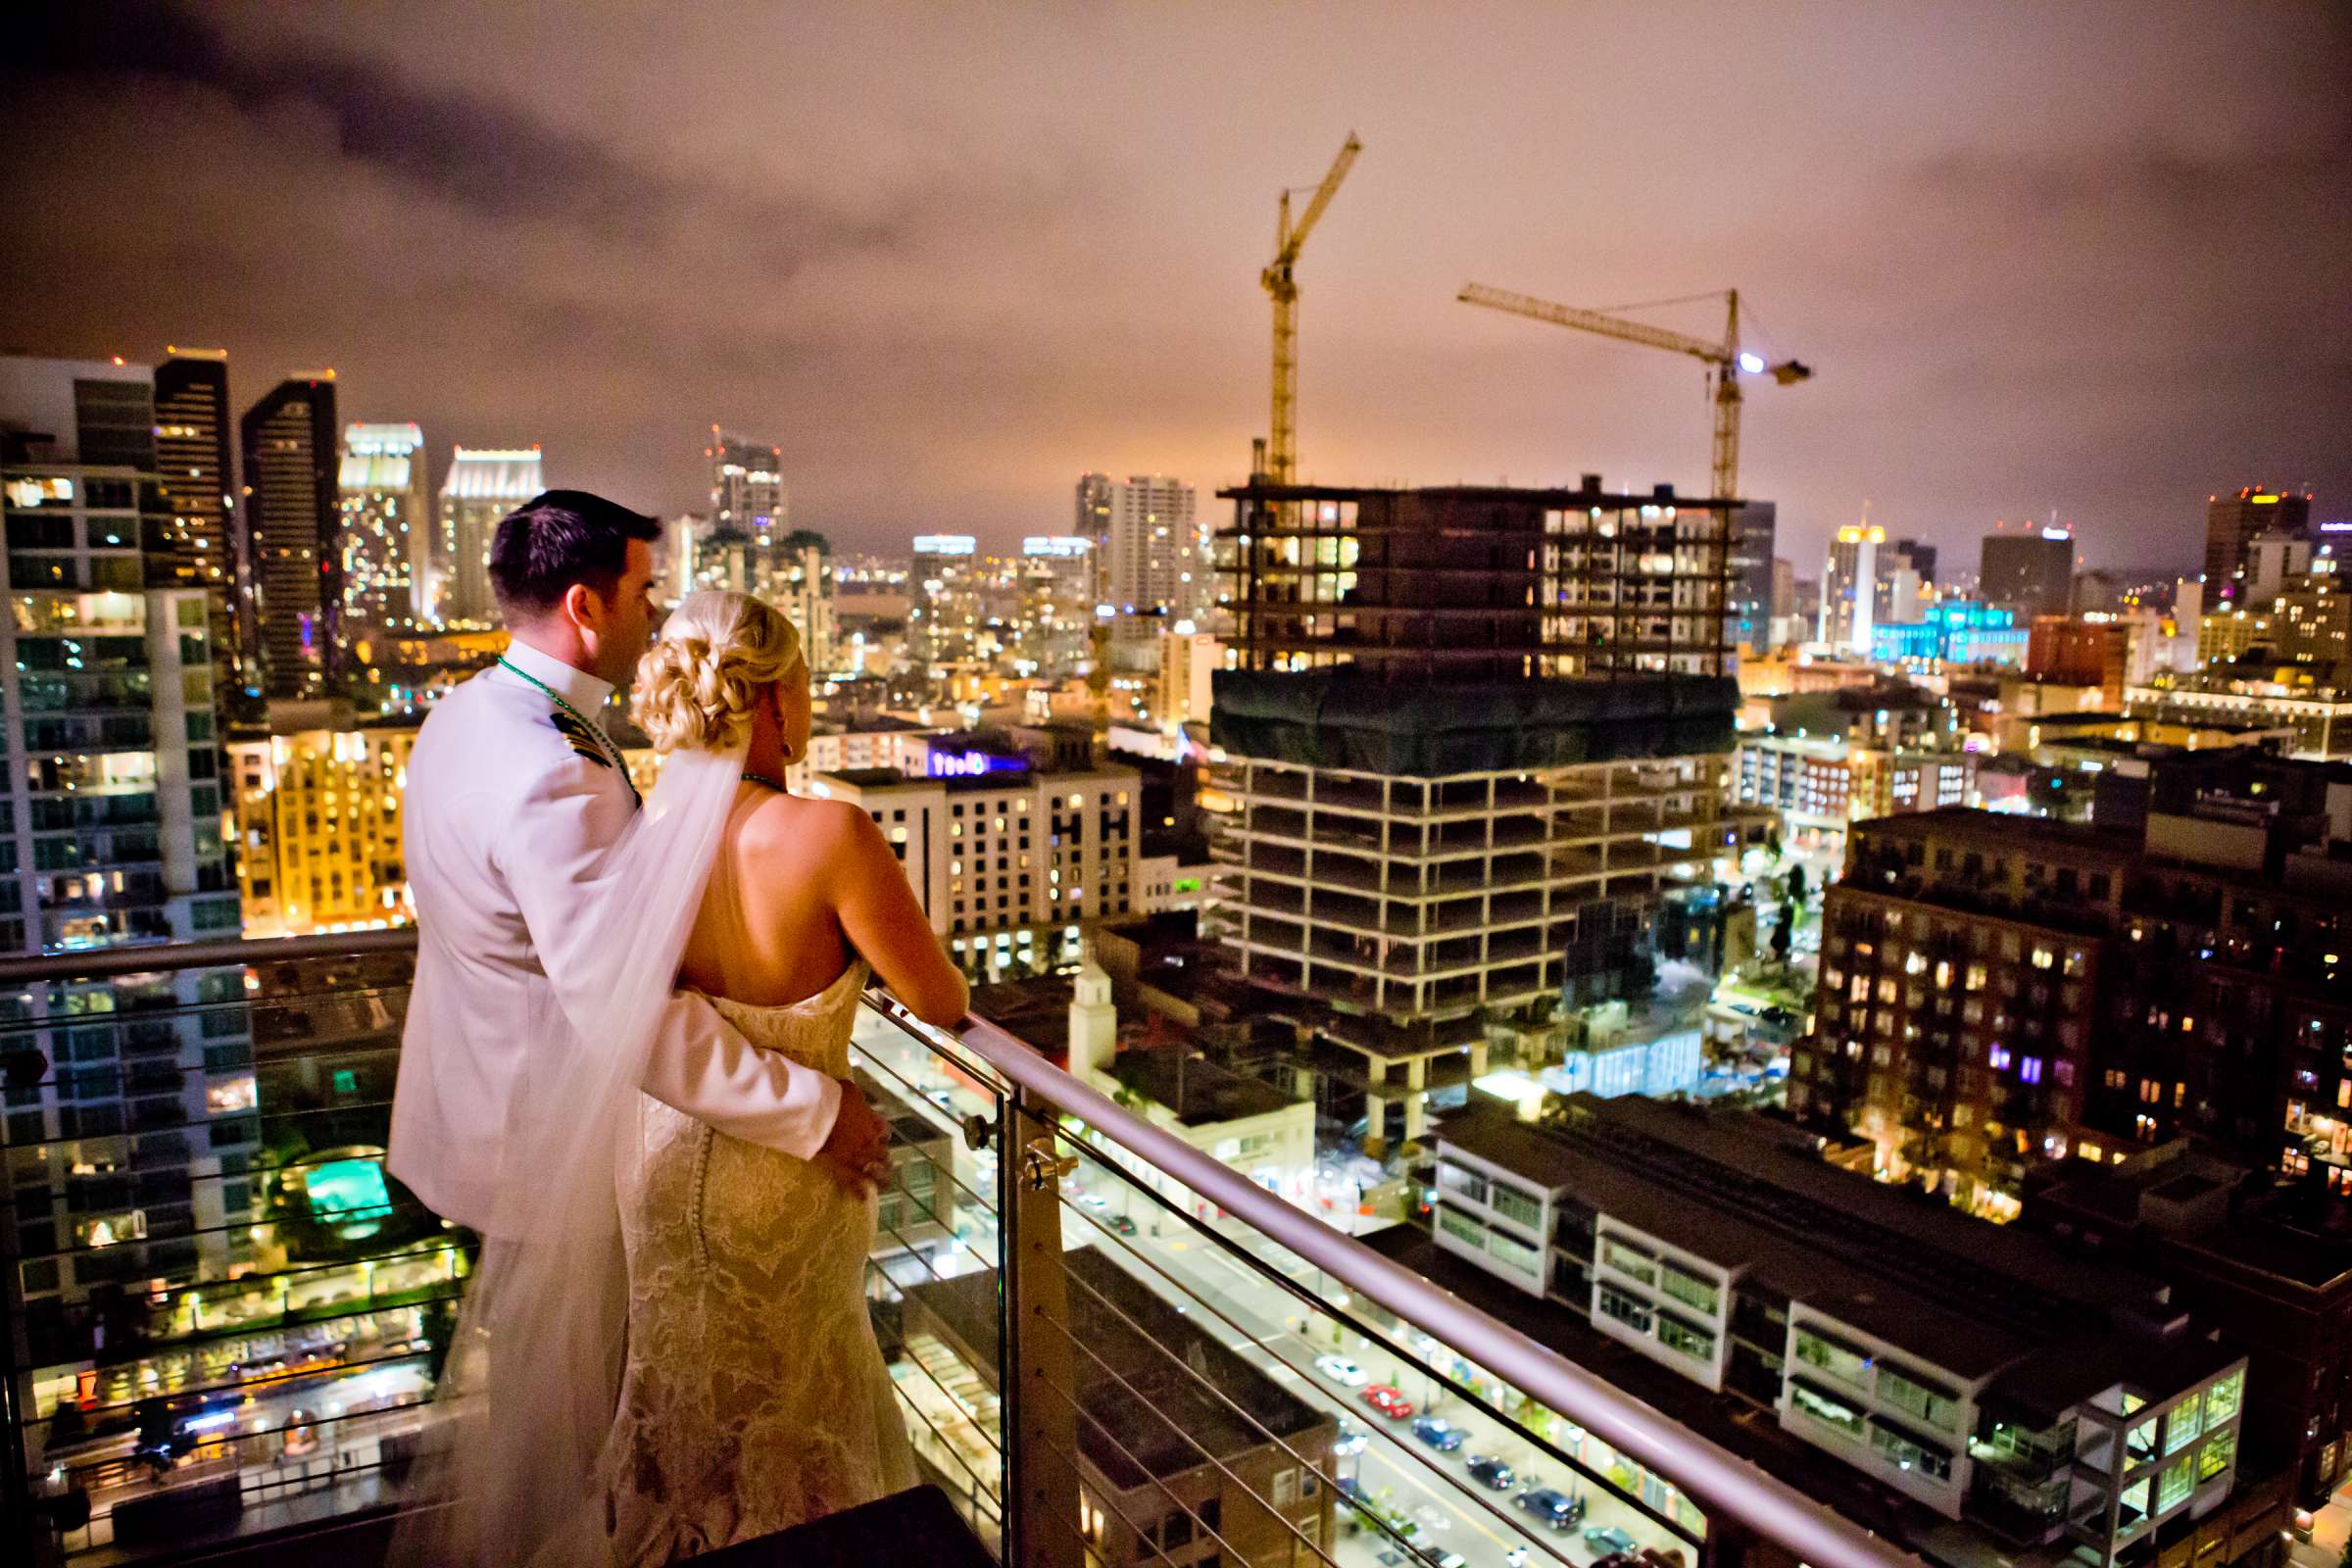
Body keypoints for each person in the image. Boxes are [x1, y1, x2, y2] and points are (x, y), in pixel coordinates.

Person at [385, 494, 903, 1564]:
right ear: (585, 603)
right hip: (554, 1139)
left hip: (475, 1101)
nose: (654, 616)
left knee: (555, 1411)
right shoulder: (555, 773)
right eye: (643, 591)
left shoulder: (469, 713)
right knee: (581, 1440)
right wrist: (816, 1112)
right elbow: (623, 1009)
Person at [598, 588, 966, 1559]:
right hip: (787, 1185)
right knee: (807, 1437)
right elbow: (938, 998)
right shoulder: (827, 834)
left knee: (687, 1436)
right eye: (804, 690)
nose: (807, 713)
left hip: (664, 1165)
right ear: (771, 700)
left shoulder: (639, 843)